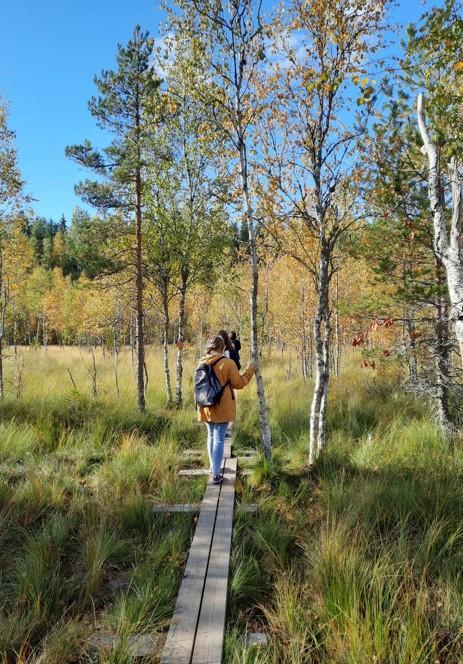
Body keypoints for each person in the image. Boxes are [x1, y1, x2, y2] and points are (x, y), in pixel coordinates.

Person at [197, 335, 256, 483]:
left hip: (205, 405)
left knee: (211, 435)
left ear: (210, 347)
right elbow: (239, 383)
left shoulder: (201, 362)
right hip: (222, 406)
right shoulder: (228, 363)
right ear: (223, 347)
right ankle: (216, 474)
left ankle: (213, 467)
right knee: (219, 439)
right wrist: (250, 371)